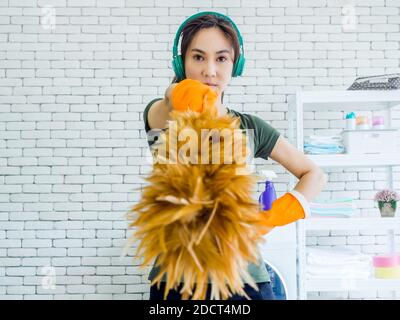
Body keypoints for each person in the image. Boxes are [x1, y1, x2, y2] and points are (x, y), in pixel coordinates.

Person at [142, 11, 327, 300]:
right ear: (182, 62)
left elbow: (314, 174)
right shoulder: (164, 115)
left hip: (245, 281)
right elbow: (166, 103)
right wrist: (180, 95)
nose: (210, 71)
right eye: (198, 57)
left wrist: (272, 217)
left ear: (235, 64)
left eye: (221, 58)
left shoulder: (249, 126)